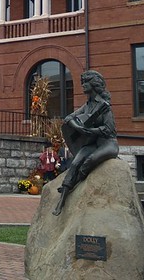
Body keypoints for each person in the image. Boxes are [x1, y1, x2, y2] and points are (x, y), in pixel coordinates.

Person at [53, 70, 118, 216]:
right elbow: (69, 118)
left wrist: (92, 131)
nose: (82, 86)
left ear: (93, 85)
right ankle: (61, 200)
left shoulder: (104, 106)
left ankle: (74, 184)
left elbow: (109, 130)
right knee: (75, 163)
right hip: (92, 143)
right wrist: (79, 128)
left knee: (89, 160)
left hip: (108, 143)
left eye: (85, 83)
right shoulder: (87, 105)